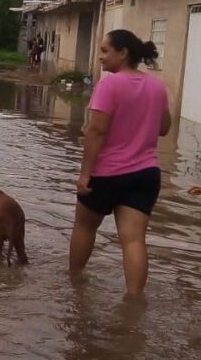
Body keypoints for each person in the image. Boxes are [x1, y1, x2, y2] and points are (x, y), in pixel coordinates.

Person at [68, 29, 171, 296]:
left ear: (123, 53)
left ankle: (74, 284)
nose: (100, 57)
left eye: (105, 51)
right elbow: (164, 128)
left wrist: (84, 174)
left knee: (84, 226)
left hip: (107, 173)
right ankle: (134, 302)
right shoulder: (157, 86)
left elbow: (97, 130)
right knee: (134, 240)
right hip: (146, 173)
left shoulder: (109, 85)